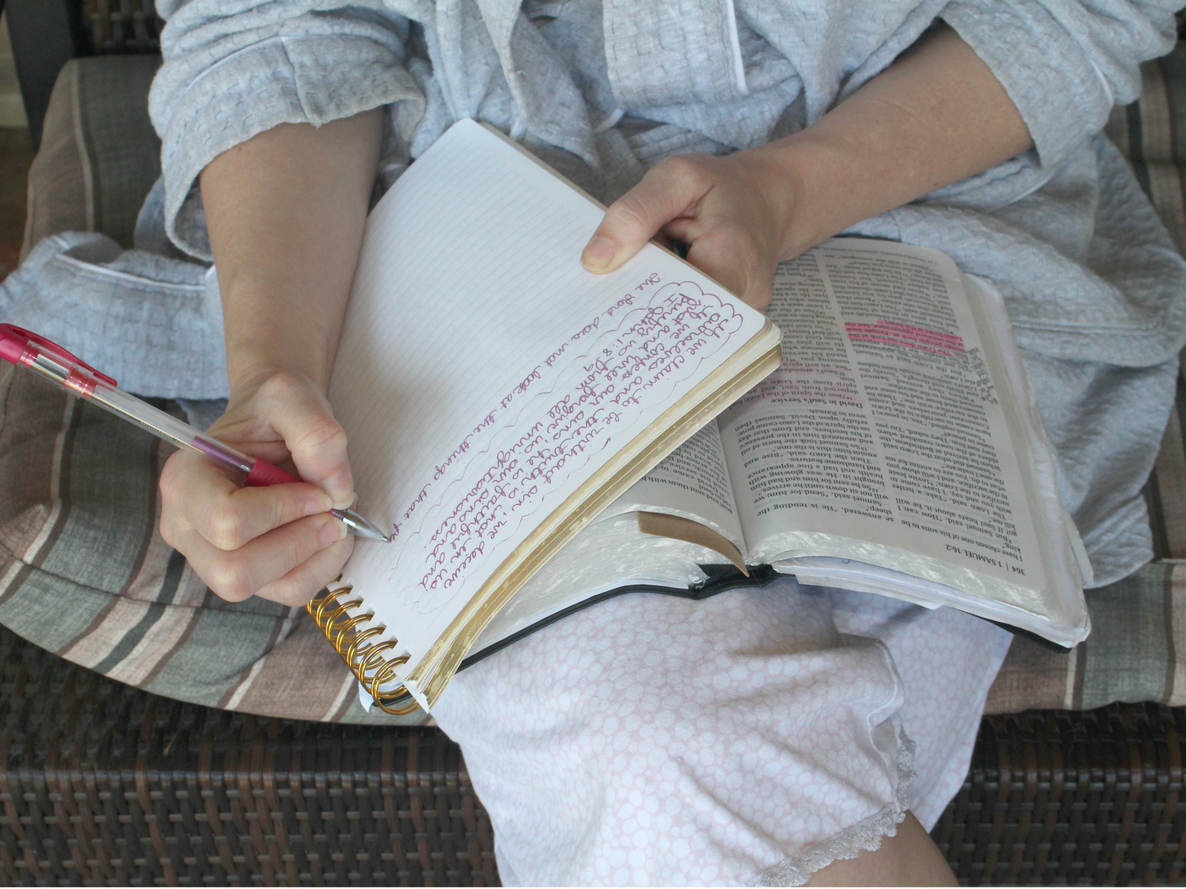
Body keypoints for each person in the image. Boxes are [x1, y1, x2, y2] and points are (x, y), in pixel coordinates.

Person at [138, 1, 1186, 885]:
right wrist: (274, 365)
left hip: (914, 209)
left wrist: (790, 188)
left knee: (662, 753)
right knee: (654, 740)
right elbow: (273, 30)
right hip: (482, 265)